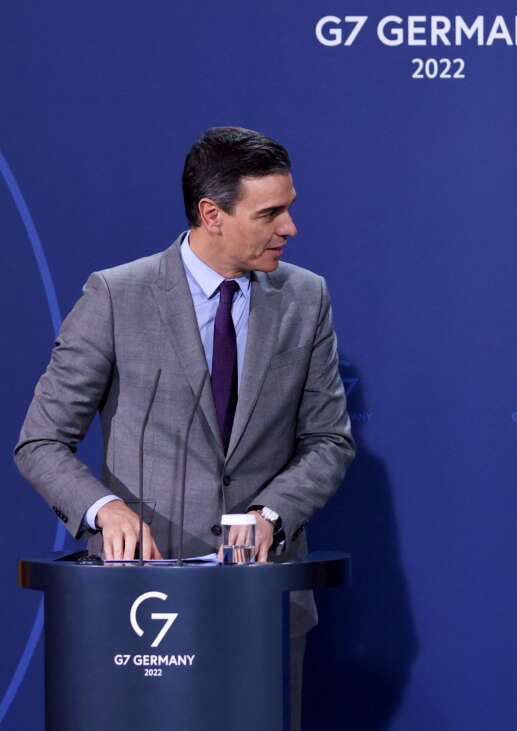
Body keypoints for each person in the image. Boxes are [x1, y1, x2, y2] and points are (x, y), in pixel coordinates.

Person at [14, 126, 354, 728]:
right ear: (211, 214)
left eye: (289, 208)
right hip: (139, 610)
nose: (290, 228)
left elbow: (328, 440)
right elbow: (40, 442)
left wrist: (271, 514)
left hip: (261, 603)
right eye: (269, 213)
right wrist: (105, 510)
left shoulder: (307, 297)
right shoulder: (116, 296)